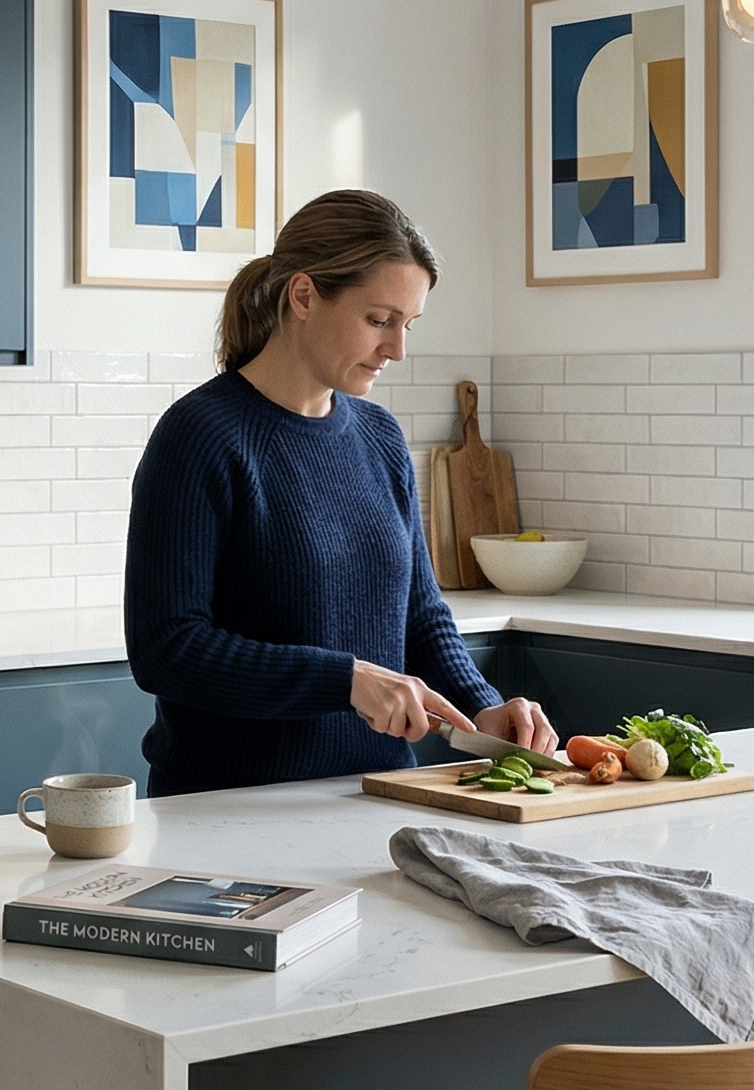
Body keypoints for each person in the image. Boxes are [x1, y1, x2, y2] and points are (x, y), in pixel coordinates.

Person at [124, 189, 556, 797]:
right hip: (229, 809)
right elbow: (167, 650)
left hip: (379, 797)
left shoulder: (379, 436)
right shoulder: (201, 437)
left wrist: (482, 709)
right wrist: (345, 680)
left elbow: (420, 616)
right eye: (379, 320)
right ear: (303, 295)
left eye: (408, 325)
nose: (397, 349)